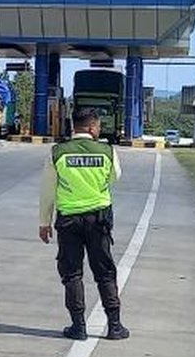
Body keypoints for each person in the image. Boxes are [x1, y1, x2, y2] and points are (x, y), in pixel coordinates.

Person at [39, 107, 129, 341]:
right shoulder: (106, 151)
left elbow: (47, 190)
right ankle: (115, 326)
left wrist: (44, 222)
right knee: (105, 272)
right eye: (98, 126)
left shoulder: (57, 152)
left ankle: (78, 327)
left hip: (68, 220)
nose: (99, 130)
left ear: (73, 127)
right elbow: (115, 177)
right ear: (91, 128)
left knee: (72, 274)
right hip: (98, 219)